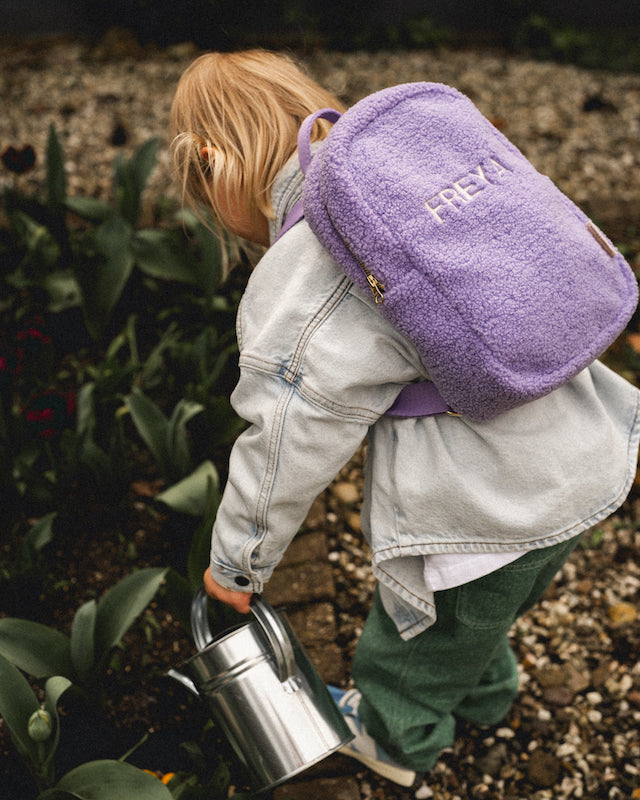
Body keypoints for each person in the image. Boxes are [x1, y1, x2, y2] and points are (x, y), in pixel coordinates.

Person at [170, 50, 640, 788]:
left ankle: (394, 745)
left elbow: (287, 440)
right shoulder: (411, 178)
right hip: (588, 449)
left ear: (212, 161)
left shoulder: (311, 261)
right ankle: (489, 694)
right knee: (486, 613)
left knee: (408, 651)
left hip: (489, 504)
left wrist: (237, 564)